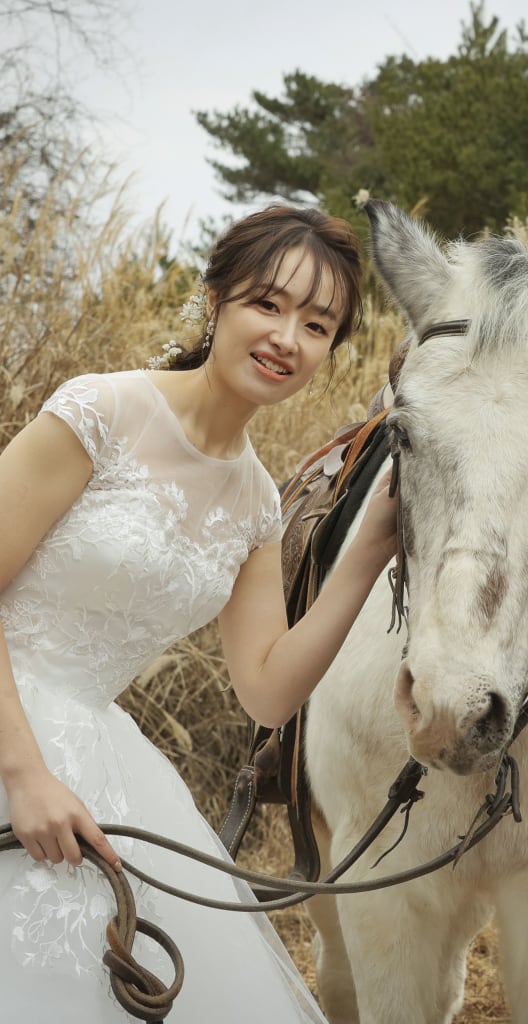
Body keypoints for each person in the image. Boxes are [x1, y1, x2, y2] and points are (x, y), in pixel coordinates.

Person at [0, 205, 397, 1021]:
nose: (288, 337)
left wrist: (368, 551)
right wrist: (25, 774)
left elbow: (266, 691)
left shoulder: (257, 501)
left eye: (318, 325)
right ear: (215, 301)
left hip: (98, 761)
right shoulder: (100, 412)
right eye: (269, 304)